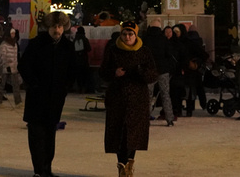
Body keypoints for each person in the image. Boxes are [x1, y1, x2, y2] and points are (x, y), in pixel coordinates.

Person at [20, 11, 76, 177]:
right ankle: (39, 170)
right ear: (48, 27)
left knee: (50, 134)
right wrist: (34, 84)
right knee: (37, 134)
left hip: (55, 98)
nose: (56, 30)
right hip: (37, 98)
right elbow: (24, 66)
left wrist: (65, 87)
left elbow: (72, 70)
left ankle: (47, 169)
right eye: (53, 26)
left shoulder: (67, 46)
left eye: (59, 26)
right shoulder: (37, 43)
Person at [100, 21, 158, 177]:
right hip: (117, 99)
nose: (127, 37)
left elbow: (153, 75)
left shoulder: (144, 51)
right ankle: (122, 166)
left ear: (136, 34)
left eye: (130, 34)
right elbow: (102, 72)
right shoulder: (113, 50)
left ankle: (129, 165)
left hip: (137, 100)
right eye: (125, 34)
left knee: (133, 134)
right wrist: (114, 73)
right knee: (119, 133)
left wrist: (141, 72)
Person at [140, 19, 174, 125]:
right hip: (163, 70)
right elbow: (169, 55)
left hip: (149, 70)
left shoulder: (145, 39)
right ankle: (169, 118)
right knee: (165, 94)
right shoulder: (164, 39)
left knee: (148, 95)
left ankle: (146, 118)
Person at [0, 27, 22, 107]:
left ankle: (18, 101)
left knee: (16, 84)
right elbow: (2, 56)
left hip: (14, 68)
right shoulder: (4, 44)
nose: (13, 35)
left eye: (14, 33)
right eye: (12, 33)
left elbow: (15, 56)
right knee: (1, 85)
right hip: (5, 68)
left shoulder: (15, 44)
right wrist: (5, 65)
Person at [72, 26, 94, 93]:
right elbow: (89, 49)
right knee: (84, 74)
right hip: (84, 60)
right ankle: (84, 88)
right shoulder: (84, 39)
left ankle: (79, 87)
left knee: (78, 75)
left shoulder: (75, 39)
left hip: (76, 60)